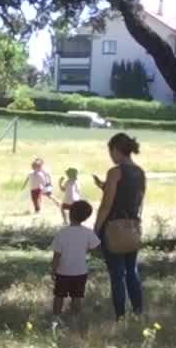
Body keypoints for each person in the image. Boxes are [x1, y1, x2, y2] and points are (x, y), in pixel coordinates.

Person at [94, 133, 146, 321]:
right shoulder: (140, 172)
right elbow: (134, 198)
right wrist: (105, 186)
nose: (111, 156)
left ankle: (120, 316)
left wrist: (96, 229)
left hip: (113, 228)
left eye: (111, 151)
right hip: (132, 227)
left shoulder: (115, 172)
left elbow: (106, 205)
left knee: (117, 274)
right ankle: (138, 311)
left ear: (116, 150)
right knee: (132, 270)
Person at [51, 200, 101, 318]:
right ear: (86, 217)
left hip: (63, 271)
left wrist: (53, 270)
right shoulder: (88, 233)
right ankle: (75, 318)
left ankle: (56, 318)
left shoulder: (62, 233)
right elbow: (96, 249)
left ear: (70, 214)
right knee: (77, 297)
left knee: (59, 296)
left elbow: (56, 255)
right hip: (80, 271)